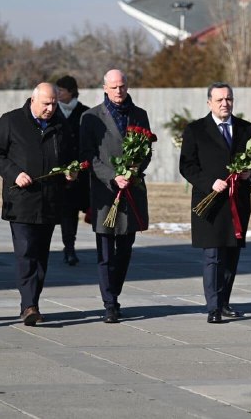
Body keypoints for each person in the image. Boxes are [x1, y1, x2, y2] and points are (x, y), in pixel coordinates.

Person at [0, 83, 76, 326]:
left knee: (40, 256)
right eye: (46, 104)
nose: (50, 109)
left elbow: (70, 156)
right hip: (21, 201)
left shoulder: (61, 124)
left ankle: (32, 301)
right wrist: (14, 173)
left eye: (54, 104)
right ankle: (29, 306)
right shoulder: (11, 121)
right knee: (26, 251)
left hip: (49, 201)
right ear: (33, 100)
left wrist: (71, 172)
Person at [179, 82, 251, 324]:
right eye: (220, 99)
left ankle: (224, 302)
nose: (225, 103)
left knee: (231, 255)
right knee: (213, 255)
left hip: (237, 202)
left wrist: (249, 175)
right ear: (209, 102)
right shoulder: (196, 130)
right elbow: (187, 166)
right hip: (209, 202)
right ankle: (213, 306)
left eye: (229, 99)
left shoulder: (247, 129)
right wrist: (209, 183)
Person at [80, 69, 152, 324]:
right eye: (113, 87)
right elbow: (89, 154)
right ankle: (109, 303)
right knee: (106, 251)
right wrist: (112, 176)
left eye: (122, 86)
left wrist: (133, 170)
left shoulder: (139, 115)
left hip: (131, 190)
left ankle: (115, 291)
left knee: (125, 249)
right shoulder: (90, 117)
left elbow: (146, 150)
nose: (118, 91)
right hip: (105, 193)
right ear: (105, 88)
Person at [55, 75, 90, 266]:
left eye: (61, 90)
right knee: (61, 211)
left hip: (80, 172)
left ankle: (70, 246)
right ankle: (66, 247)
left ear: (71, 91)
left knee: (72, 211)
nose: (58, 93)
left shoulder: (84, 112)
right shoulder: (52, 112)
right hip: (58, 172)